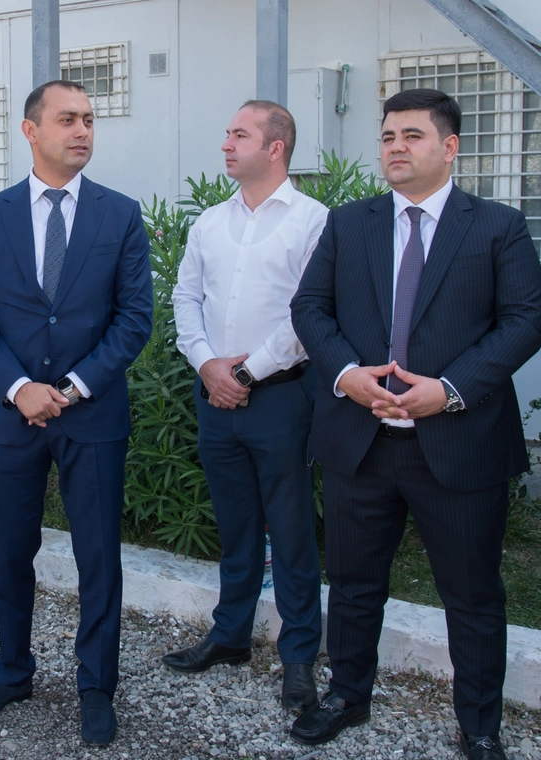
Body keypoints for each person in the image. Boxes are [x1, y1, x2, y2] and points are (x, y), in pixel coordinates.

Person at [289, 88, 541, 760]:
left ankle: (480, 728)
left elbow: (524, 321)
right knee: (353, 583)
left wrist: (450, 389)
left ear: (450, 147)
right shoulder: (350, 223)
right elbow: (310, 307)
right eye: (387, 137)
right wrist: (346, 375)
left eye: (412, 135)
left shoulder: (497, 227)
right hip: (361, 440)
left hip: (459, 444)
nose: (395, 147)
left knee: (472, 595)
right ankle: (348, 694)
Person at [0, 80, 153, 746]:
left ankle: (96, 684)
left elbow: (134, 319)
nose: (82, 131)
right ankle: (13, 670)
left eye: (89, 120)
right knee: (12, 550)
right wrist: (19, 388)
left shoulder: (119, 215)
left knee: (98, 556)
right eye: (68, 119)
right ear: (30, 130)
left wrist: (70, 386)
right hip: (10, 417)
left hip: (90, 416)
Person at [166, 101, 327, 711]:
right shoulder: (210, 222)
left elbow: (309, 313)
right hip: (215, 396)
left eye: (240, 134)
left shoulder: (313, 222)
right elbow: (186, 298)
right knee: (233, 524)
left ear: (275, 147)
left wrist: (244, 371)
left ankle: (299, 655)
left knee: (290, 530)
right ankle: (230, 636)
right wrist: (207, 364)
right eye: (228, 133)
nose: (227, 143)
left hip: (280, 397)